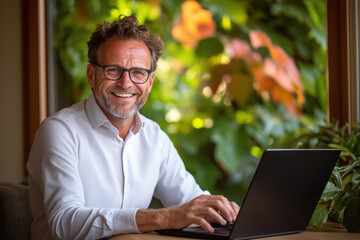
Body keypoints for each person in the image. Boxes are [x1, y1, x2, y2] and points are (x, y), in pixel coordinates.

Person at [27, 14, 239, 240]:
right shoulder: (60, 131)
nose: (126, 83)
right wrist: (162, 218)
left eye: (138, 73)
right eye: (113, 70)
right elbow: (64, 224)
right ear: (91, 75)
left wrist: (224, 212)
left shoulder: (154, 137)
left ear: (150, 82)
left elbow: (191, 203)